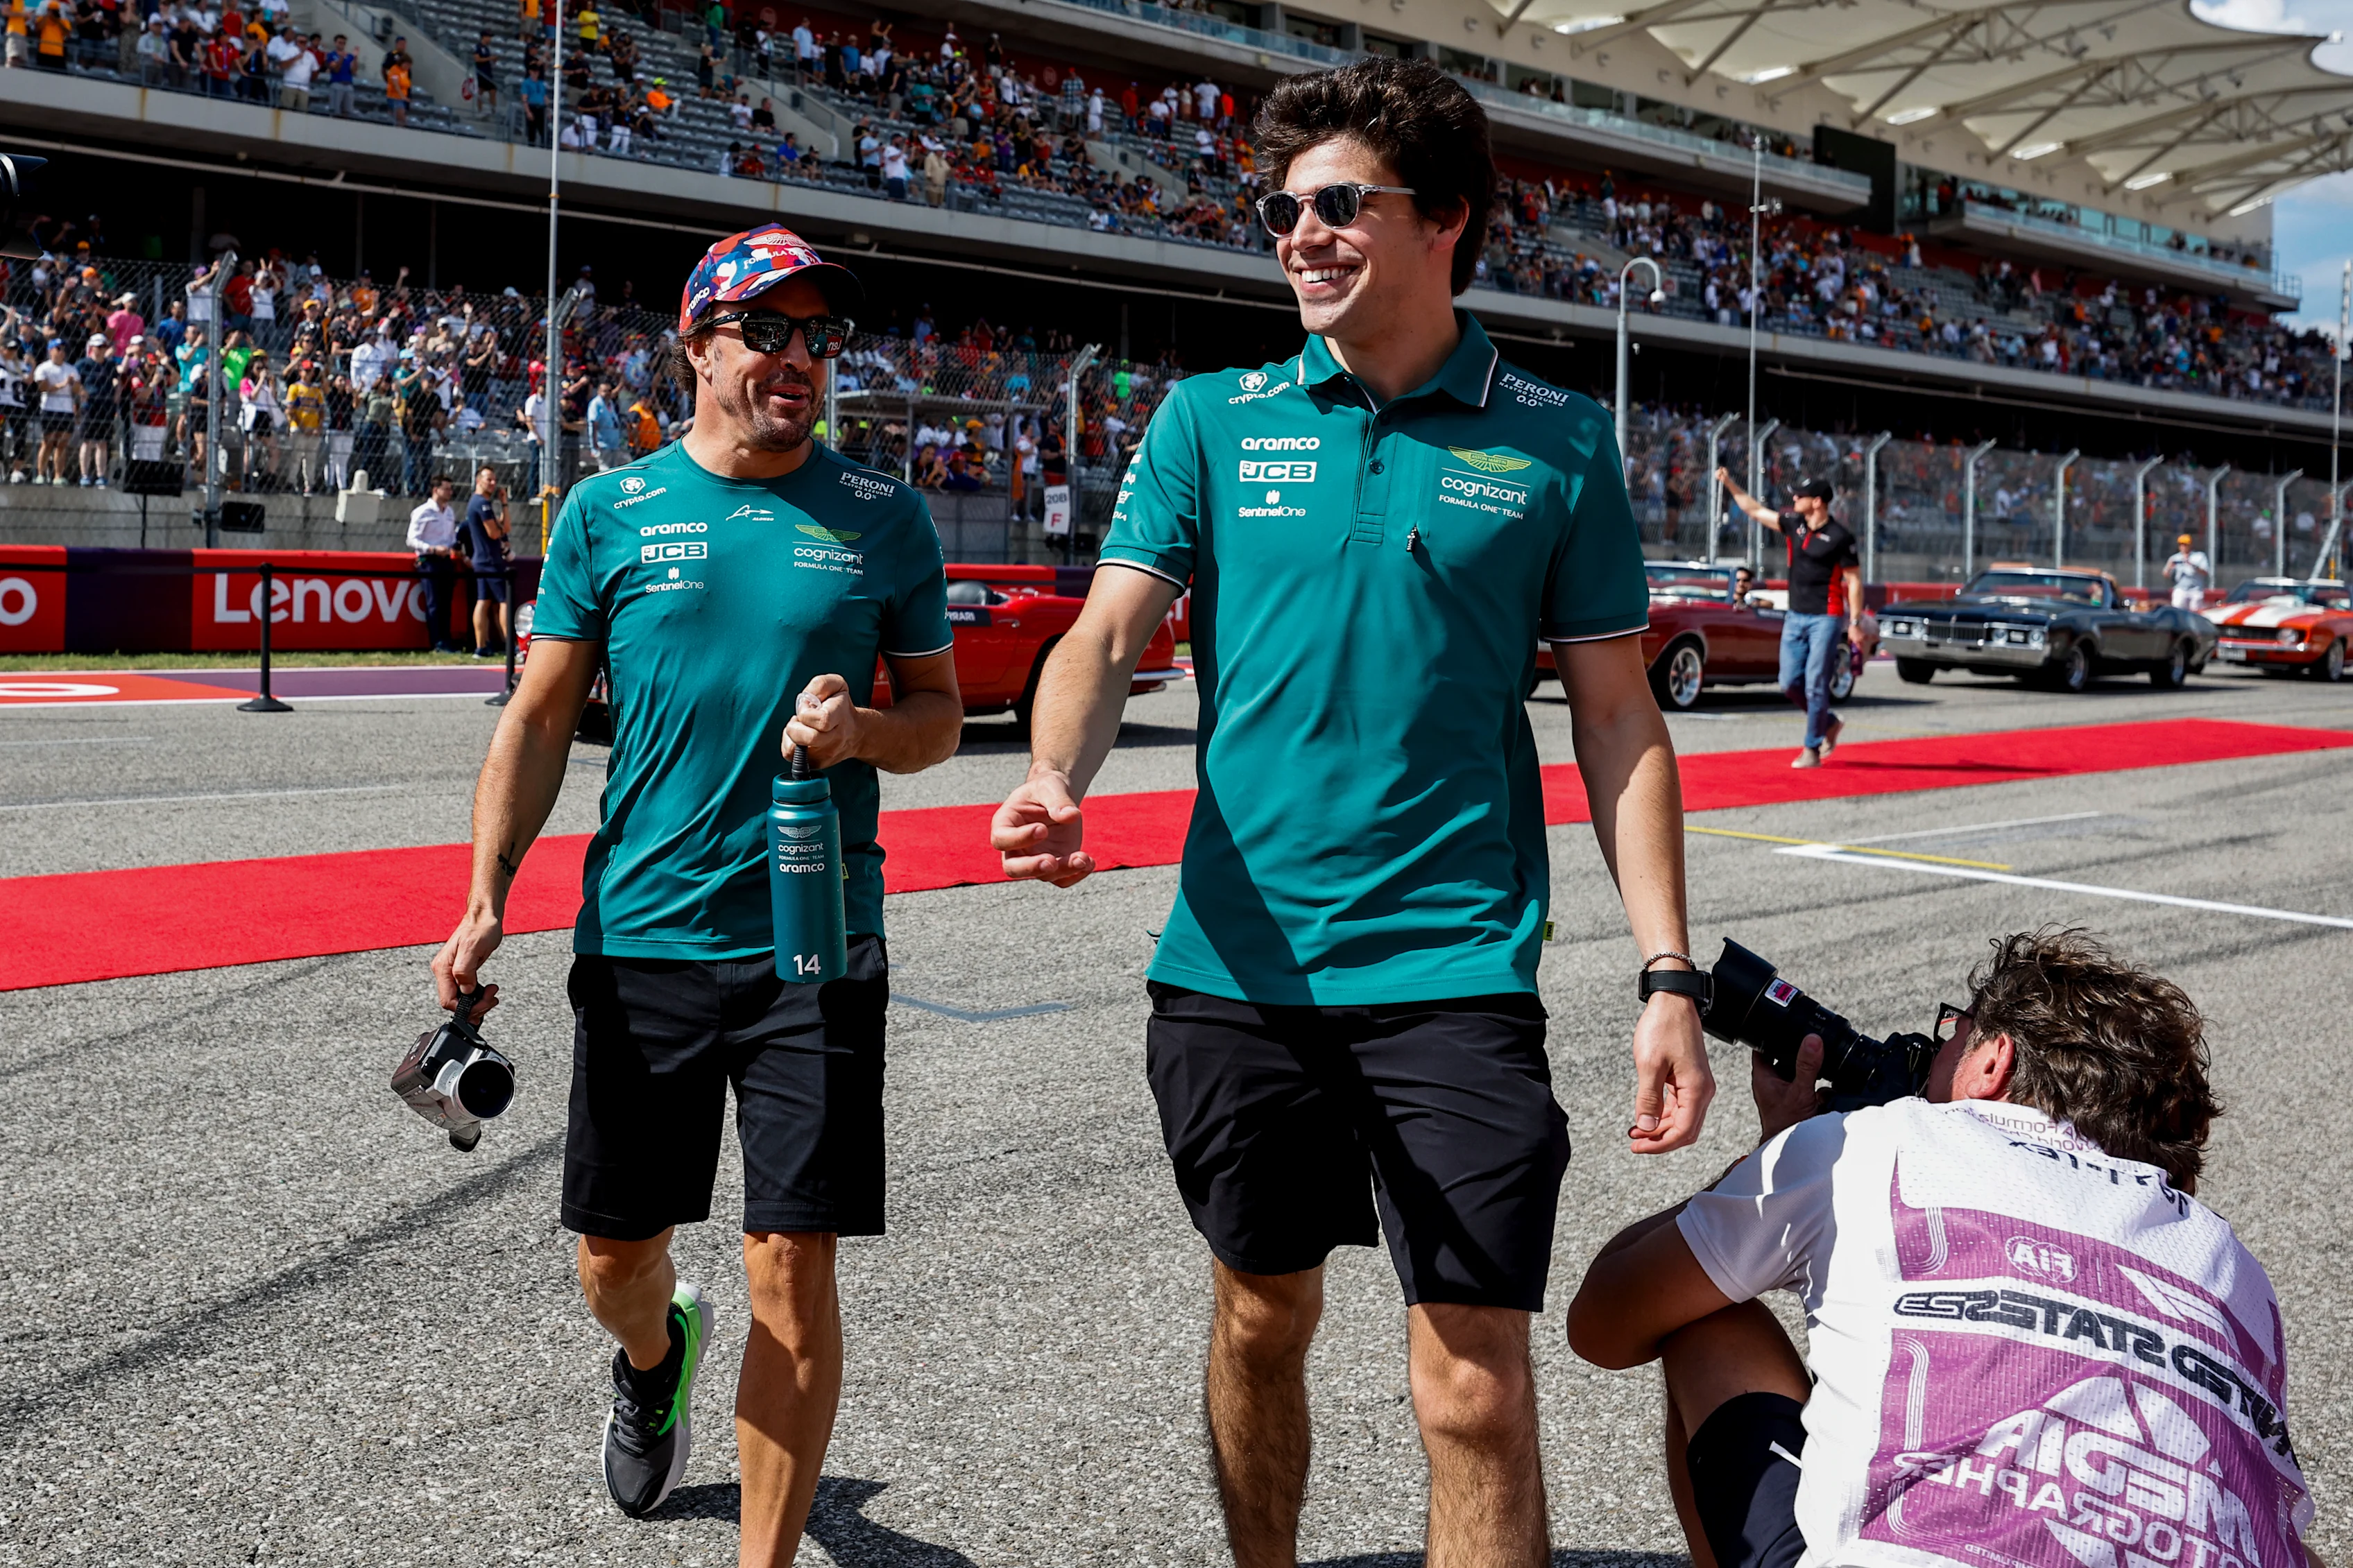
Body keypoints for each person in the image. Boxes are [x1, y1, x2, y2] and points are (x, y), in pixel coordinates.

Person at [989, 58, 1710, 1568]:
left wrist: (1667, 972)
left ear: (1446, 218)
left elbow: (1617, 715)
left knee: (1473, 1385)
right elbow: (1107, 636)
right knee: (1261, 1314)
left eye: (1336, 204)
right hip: (1234, 975)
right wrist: (1054, 773)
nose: (1300, 235)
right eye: (1280, 212)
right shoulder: (1207, 417)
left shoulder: (1559, 440)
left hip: (1450, 973)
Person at [428, 225, 961, 1564]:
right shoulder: (609, 513)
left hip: (815, 944)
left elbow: (943, 718)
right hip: (643, 939)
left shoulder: (883, 515)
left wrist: (865, 737)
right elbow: (541, 719)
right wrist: (486, 890)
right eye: (769, 331)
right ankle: (657, 1355)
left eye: (821, 337)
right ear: (698, 346)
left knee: (795, 1262)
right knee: (615, 1258)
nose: (801, 358)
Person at [1567, 927, 2314, 1568]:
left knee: (1705, 1309)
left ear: (1991, 1061)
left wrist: (1775, 1154)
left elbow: (1603, 1318)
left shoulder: (1876, 1140)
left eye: (1947, 1035)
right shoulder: (2227, 1262)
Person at [1715, 469, 1863, 767]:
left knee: (1815, 684)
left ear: (1818, 502)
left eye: (1801, 495)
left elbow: (1855, 582)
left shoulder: (1840, 537)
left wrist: (1856, 622)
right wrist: (1729, 483)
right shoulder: (1793, 524)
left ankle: (1812, 748)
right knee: (1788, 682)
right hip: (1795, 616)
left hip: (1826, 617)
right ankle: (1829, 722)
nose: (1794, 498)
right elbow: (1754, 510)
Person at [407, 472, 461, 651]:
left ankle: (446, 640)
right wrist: (432, 548)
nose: (449, 493)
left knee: (446, 603)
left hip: (446, 560)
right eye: (446, 489)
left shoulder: (449, 512)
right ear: (436, 490)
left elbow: (451, 537)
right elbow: (412, 539)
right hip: (429, 560)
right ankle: (437, 641)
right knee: (434, 603)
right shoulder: (423, 512)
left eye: (450, 489)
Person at [461, 463, 511, 656]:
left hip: (484, 560)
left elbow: (505, 528)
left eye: (494, 480)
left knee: (485, 601)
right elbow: (494, 533)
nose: (492, 483)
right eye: (488, 479)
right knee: (503, 601)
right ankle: (509, 645)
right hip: (489, 561)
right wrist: (499, 529)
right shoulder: (480, 503)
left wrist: (504, 504)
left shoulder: (482, 503)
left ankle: (482, 647)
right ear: (478, 480)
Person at [30, 337, 80, 485]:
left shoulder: (71, 369)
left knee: (62, 444)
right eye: (58, 349)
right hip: (50, 408)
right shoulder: (43, 368)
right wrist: (63, 384)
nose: (62, 352)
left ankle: (58, 475)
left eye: (63, 349)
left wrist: (73, 385)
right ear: (50, 351)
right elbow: (44, 388)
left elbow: (76, 390)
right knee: (48, 442)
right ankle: (40, 474)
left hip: (66, 409)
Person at [2163, 531, 2212, 610]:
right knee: (2178, 609)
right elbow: (2166, 574)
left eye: (2185, 544)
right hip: (2181, 589)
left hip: (2196, 589)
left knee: (2195, 611)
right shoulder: (2175, 558)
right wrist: (2170, 567)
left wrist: (2192, 565)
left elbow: (2205, 572)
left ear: (2190, 545)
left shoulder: (2199, 556)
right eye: (2181, 544)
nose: (2183, 547)